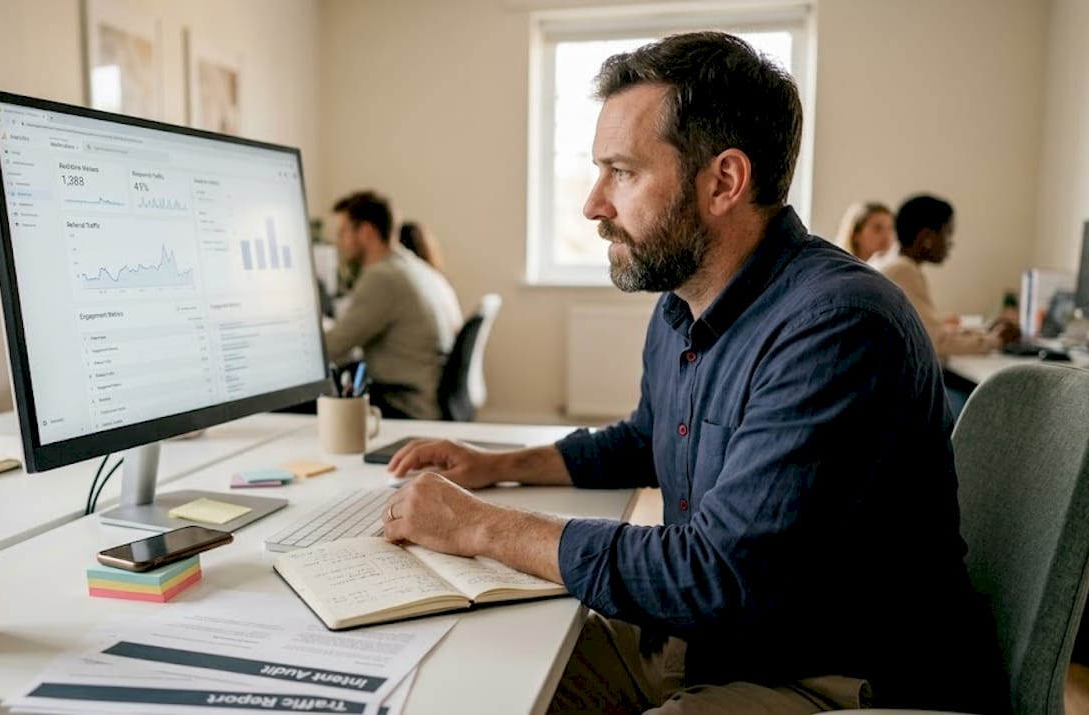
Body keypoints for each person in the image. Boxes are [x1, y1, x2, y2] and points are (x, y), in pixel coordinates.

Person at [379, 32, 1005, 713]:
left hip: (839, 676)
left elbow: (718, 572)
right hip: (713, 639)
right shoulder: (686, 301)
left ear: (724, 182)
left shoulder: (839, 324)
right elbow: (648, 438)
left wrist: (481, 526)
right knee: (475, 679)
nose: (593, 203)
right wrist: (493, 462)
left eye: (621, 171)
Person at [325, 190, 461, 419]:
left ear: (366, 232)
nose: (339, 242)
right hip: (426, 396)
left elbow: (333, 348)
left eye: (343, 232)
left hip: (404, 404)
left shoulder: (383, 277)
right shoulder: (412, 265)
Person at [871, 194, 1019, 357]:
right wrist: (995, 340)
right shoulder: (904, 271)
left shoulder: (884, 261)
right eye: (948, 233)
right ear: (926, 238)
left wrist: (981, 332)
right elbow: (936, 343)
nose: (950, 243)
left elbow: (926, 329)